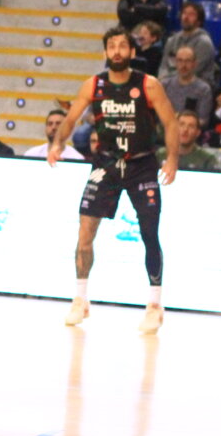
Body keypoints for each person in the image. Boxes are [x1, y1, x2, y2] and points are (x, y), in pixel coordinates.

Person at [49, 25, 179, 334]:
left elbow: (170, 122)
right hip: (106, 163)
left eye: (123, 46)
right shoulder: (93, 85)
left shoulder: (148, 85)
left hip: (142, 164)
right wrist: (58, 143)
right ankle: (80, 298)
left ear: (132, 52)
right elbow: (70, 119)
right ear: (106, 52)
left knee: (149, 232)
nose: (117, 51)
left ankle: (154, 304)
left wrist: (172, 159)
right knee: (85, 231)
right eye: (112, 46)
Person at [160, 1, 218, 87]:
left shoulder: (204, 43)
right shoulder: (171, 40)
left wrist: (166, 81)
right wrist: (162, 80)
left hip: (197, 88)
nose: (186, 17)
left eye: (191, 14)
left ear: (199, 21)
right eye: (184, 13)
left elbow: (190, 71)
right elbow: (164, 66)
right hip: (171, 84)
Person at [161, 45, 213, 129]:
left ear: (195, 64)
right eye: (180, 60)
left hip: (189, 134)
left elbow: (203, 120)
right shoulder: (164, 85)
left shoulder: (204, 89)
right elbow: (157, 115)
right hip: (165, 130)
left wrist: (184, 124)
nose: (183, 65)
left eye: (187, 61)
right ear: (175, 62)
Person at [156, 109, 221, 170]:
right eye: (181, 124)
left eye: (191, 126)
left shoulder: (207, 159)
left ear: (197, 133)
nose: (185, 130)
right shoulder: (160, 155)